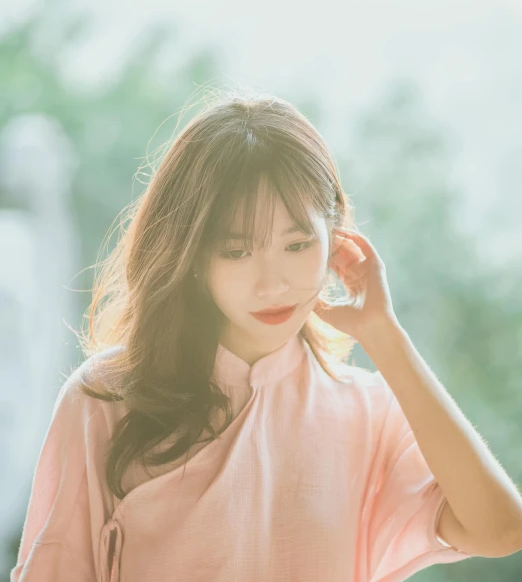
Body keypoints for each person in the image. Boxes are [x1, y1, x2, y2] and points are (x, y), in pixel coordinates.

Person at [11, 90, 479, 581]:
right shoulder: (107, 399)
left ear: (335, 238)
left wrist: (386, 336)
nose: (272, 283)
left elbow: (498, 530)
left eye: (297, 244)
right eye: (236, 252)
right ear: (191, 256)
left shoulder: (367, 411)